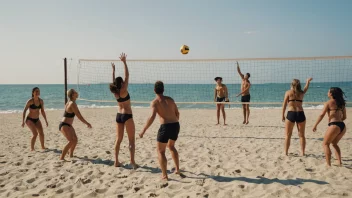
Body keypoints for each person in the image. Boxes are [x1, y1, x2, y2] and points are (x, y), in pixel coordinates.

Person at [139, 81, 180, 181]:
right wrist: (174, 122)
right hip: (175, 125)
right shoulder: (170, 99)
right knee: (171, 146)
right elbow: (177, 114)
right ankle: (178, 169)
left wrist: (143, 130)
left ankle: (165, 175)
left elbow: (152, 117)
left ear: (154, 90)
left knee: (161, 151)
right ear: (163, 89)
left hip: (165, 127)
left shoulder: (155, 102)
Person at [110, 53, 138, 169]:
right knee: (131, 140)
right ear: (121, 83)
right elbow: (127, 75)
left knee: (118, 139)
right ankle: (132, 162)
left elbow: (114, 81)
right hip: (127, 115)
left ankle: (116, 161)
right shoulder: (124, 89)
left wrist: (113, 71)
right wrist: (124, 62)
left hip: (118, 116)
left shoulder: (115, 92)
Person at [313, 87, 346, 167]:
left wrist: (315, 125)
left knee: (325, 144)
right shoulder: (341, 103)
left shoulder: (328, 102)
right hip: (342, 126)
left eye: (328, 91)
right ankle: (339, 162)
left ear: (331, 94)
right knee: (334, 143)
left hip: (334, 125)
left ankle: (328, 164)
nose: (327, 92)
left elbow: (321, 115)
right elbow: (344, 117)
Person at [282, 78, 312, 156]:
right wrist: (307, 82)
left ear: (292, 84)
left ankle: (286, 153)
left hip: (291, 113)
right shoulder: (301, 93)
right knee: (301, 135)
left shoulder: (288, 92)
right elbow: (305, 89)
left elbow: (284, 105)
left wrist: (282, 115)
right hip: (300, 113)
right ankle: (302, 153)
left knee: (288, 135)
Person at [59, 89, 91, 160]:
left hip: (68, 125)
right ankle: (62, 157)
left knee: (75, 140)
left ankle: (71, 154)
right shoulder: (72, 104)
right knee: (71, 141)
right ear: (73, 95)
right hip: (64, 125)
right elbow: (79, 116)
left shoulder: (70, 102)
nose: (77, 93)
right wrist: (87, 123)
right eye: (75, 92)